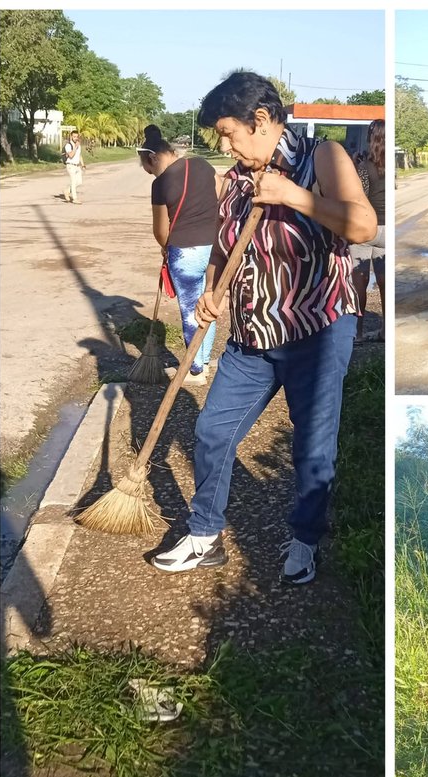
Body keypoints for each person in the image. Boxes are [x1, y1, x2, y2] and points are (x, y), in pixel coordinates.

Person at [151, 72, 376, 585]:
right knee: (211, 432)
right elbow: (225, 248)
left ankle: (305, 539)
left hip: (317, 330)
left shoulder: (323, 156)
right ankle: (204, 534)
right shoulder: (234, 179)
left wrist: (293, 196)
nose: (225, 144)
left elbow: (363, 227)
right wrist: (213, 289)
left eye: (229, 132)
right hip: (252, 337)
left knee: (312, 447)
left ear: (261, 120)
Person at [137, 124, 221, 383]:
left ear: (152, 157)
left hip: (184, 253)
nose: (150, 173)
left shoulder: (160, 185)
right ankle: (205, 359)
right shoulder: (204, 166)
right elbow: (221, 196)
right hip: (215, 249)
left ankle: (195, 369)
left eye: (148, 168)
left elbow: (161, 230)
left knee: (189, 310)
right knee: (208, 301)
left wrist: (165, 247)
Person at [352, 119, 386, 343]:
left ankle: (358, 332)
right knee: (384, 282)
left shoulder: (365, 168)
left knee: (359, 282)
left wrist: (355, 168)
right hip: (387, 230)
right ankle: (385, 331)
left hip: (366, 229)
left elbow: (358, 197)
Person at [62, 129, 84, 203]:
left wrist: (83, 164)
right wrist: (75, 147)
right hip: (70, 166)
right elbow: (71, 155)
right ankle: (75, 199)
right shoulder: (68, 145)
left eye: (77, 137)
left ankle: (67, 190)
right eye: (74, 136)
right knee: (73, 182)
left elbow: (79, 155)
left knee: (79, 182)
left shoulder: (78, 145)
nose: (76, 138)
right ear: (71, 137)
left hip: (77, 165)